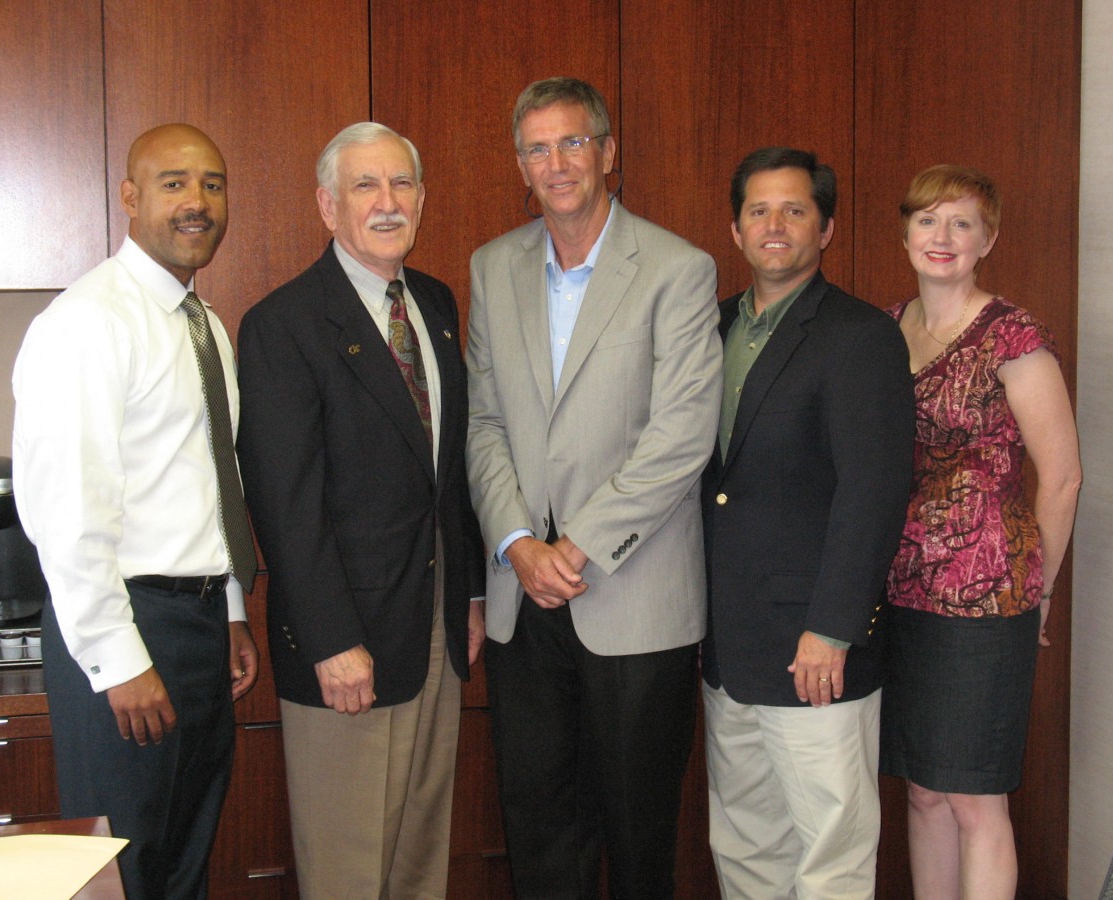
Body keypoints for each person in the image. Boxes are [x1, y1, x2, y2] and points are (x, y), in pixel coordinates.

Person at [465, 77, 722, 899]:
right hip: (522, 603)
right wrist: (517, 543)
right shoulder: (492, 265)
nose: (557, 163)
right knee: (539, 829)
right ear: (520, 165)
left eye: (572, 142)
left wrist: (571, 548)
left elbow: (680, 436)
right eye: (537, 149)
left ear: (608, 152)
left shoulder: (678, 269)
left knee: (640, 836)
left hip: (632, 595)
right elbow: (483, 422)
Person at [236, 122, 486, 900]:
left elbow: (452, 474)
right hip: (348, 645)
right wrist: (331, 640)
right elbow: (286, 502)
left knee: (419, 855)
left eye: (402, 184)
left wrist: (471, 594)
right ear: (326, 205)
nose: (388, 203)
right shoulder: (283, 325)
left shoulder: (437, 303)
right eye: (365, 186)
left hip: (437, 629)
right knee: (348, 868)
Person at [12, 123, 259, 900]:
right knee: (120, 872)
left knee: (186, 858)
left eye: (212, 184)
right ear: (130, 197)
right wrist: (121, 662)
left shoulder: (205, 328)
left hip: (195, 631)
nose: (197, 202)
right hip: (126, 628)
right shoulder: (88, 322)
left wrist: (227, 611)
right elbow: (65, 510)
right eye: (174, 182)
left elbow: (207, 482)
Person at [701, 147, 916, 898]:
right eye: (758, 210)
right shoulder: (711, 325)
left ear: (825, 229)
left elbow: (875, 490)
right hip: (729, 646)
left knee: (831, 853)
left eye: (795, 209)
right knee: (745, 843)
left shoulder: (860, 337)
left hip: (813, 650)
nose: (774, 225)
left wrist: (832, 628)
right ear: (734, 229)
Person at [880, 164, 1081, 899]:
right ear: (904, 231)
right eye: (929, 220)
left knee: (973, 798)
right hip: (898, 593)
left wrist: (1043, 590)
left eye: (962, 223)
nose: (943, 237)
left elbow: (1061, 477)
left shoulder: (1012, 335)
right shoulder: (887, 325)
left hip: (985, 598)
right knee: (923, 790)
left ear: (987, 239)